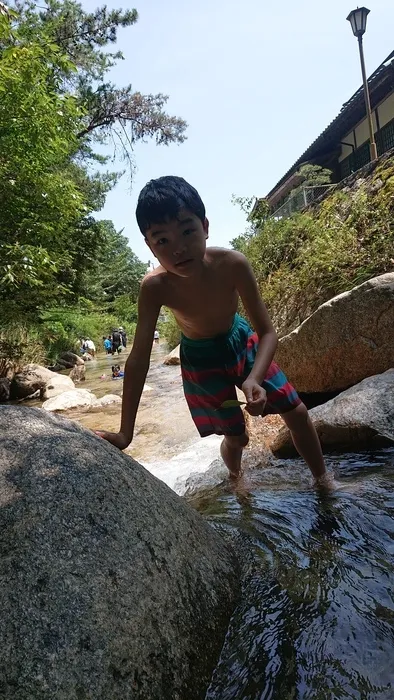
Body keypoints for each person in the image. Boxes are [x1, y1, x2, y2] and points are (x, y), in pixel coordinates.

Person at [96, 176, 329, 485]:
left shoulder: (232, 264)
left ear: (205, 226)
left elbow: (268, 333)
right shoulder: (154, 288)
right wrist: (125, 433)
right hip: (200, 361)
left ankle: (325, 481)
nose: (178, 248)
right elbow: (138, 359)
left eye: (188, 231)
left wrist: (254, 378)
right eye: (162, 240)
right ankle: (237, 478)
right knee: (237, 438)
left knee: (297, 413)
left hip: (241, 341)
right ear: (150, 247)